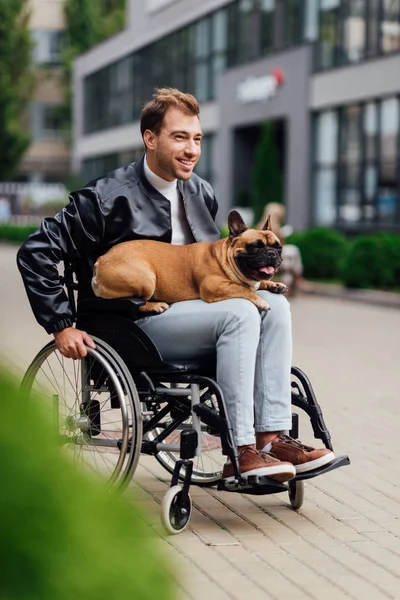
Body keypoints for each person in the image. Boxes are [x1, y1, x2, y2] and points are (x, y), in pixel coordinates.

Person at [17, 88, 334, 485]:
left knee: (275, 308)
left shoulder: (201, 193)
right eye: (179, 137)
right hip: (132, 325)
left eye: (197, 138)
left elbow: (213, 270)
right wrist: (61, 324)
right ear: (150, 138)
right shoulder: (104, 198)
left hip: (196, 317)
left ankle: (270, 438)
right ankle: (240, 450)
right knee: (241, 311)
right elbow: (35, 252)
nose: (191, 149)